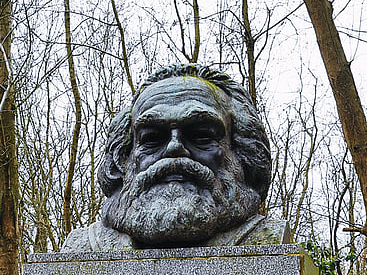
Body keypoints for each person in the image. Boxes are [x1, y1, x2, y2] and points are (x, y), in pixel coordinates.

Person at [62, 64, 287, 251]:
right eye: (152, 138)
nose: (174, 148)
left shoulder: (269, 241)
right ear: (123, 158)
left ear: (241, 152)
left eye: (200, 136)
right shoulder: (83, 246)